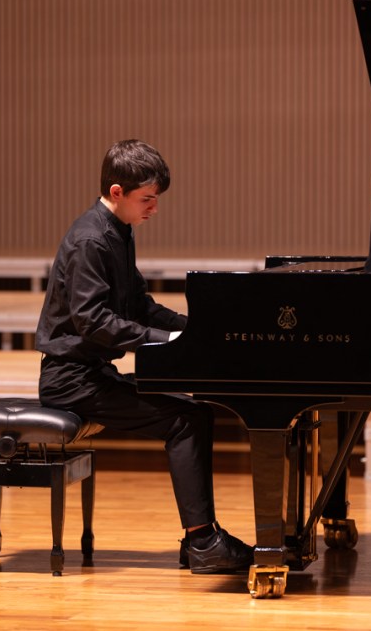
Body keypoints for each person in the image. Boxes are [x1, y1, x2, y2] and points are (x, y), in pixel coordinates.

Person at [35, 138, 254, 574]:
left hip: (92, 373)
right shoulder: (90, 240)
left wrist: (195, 329)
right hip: (70, 381)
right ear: (117, 192)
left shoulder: (117, 232)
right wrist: (167, 340)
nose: (154, 207)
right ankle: (203, 542)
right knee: (185, 419)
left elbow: (138, 305)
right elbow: (93, 321)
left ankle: (199, 538)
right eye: (147, 199)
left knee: (195, 412)